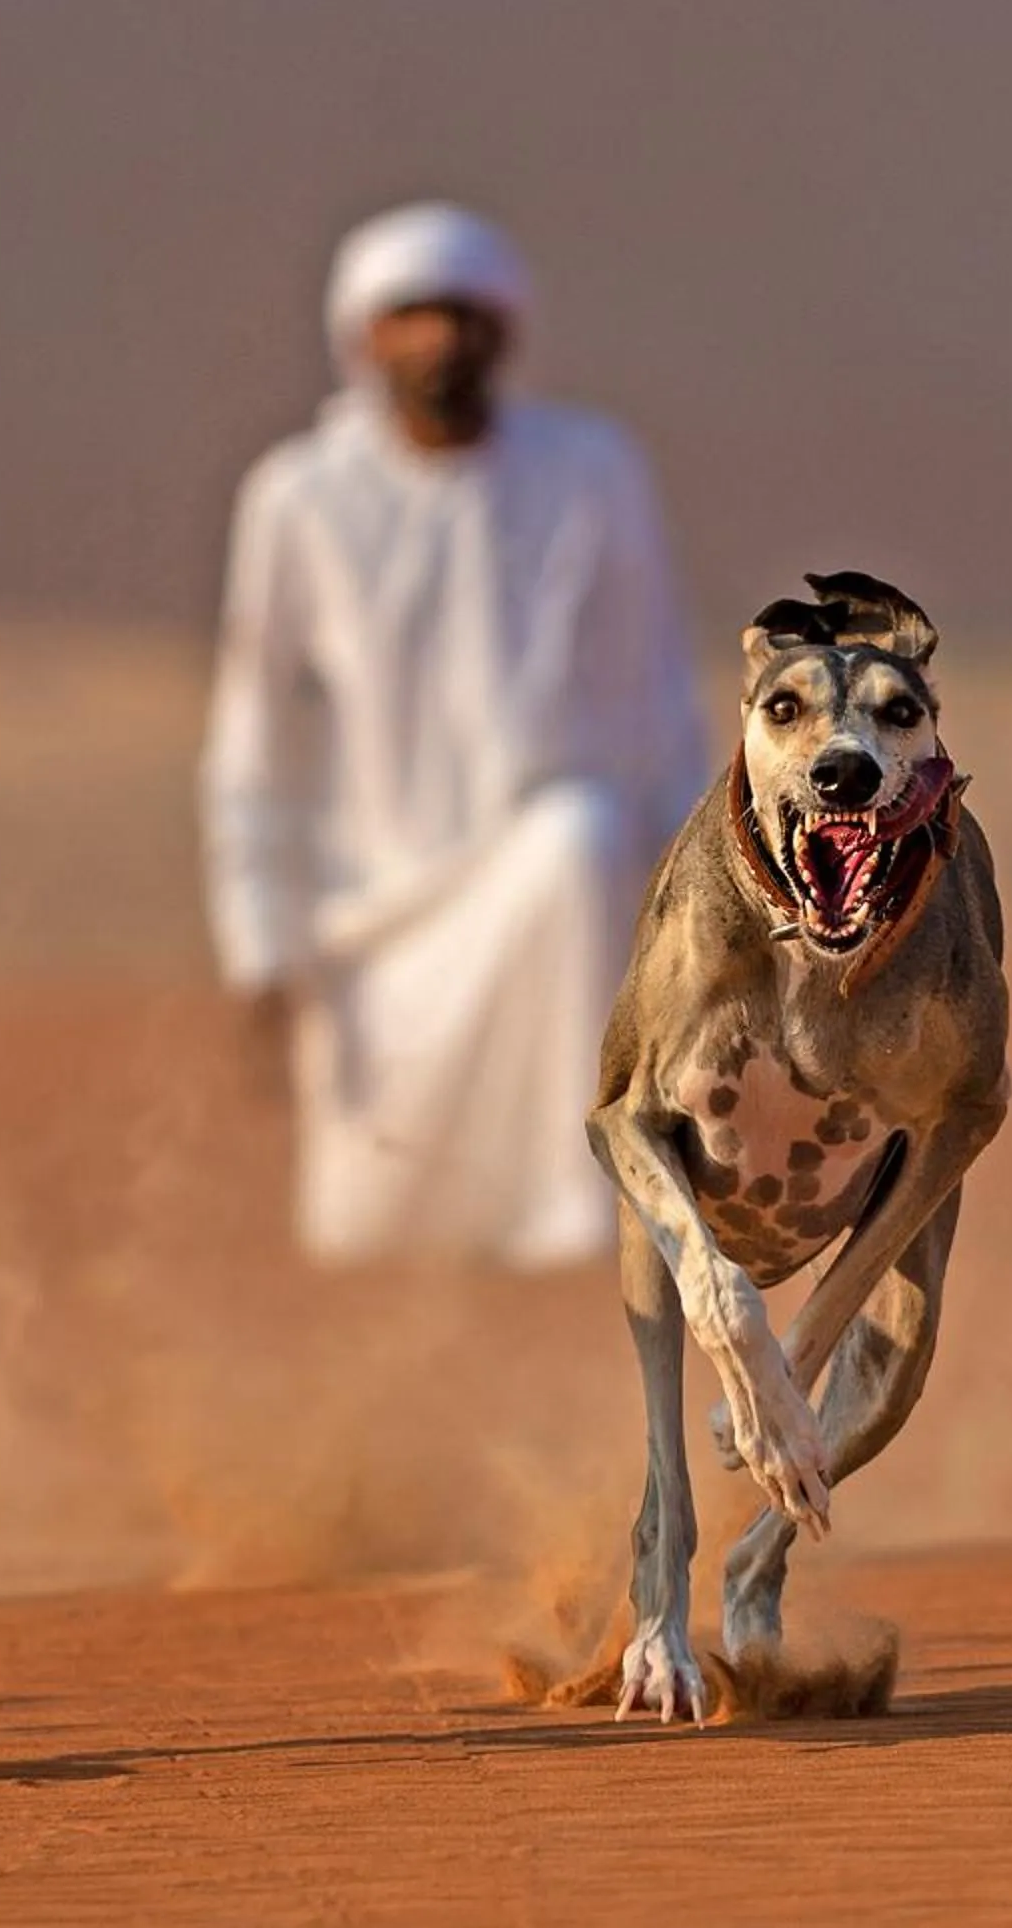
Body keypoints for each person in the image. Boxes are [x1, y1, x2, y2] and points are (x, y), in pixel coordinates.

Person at [201, 202, 707, 1267]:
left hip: (549, 892)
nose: (439, 341)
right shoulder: (298, 498)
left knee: (577, 833)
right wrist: (259, 941)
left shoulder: (592, 473)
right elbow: (255, 739)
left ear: (504, 332)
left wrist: (708, 913)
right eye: (412, 316)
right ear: (364, 338)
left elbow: (656, 690)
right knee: (366, 1236)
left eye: (464, 315)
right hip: (373, 918)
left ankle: (583, 1231)